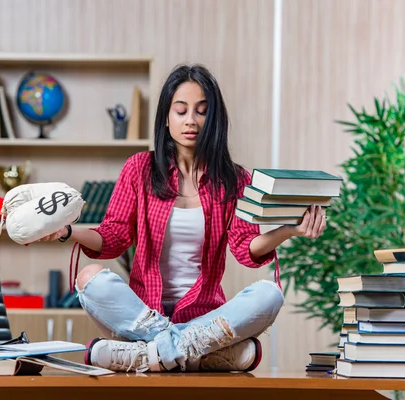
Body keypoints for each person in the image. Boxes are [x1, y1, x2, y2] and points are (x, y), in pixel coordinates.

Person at [38, 64, 327, 373]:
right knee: (90, 278)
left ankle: (146, 355)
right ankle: (198, 353)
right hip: (144, 314)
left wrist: (288, 230)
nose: (191, 120)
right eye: (181, 110)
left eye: (202, 111)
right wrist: (70, 231)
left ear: (213, 118)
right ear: (166, 117)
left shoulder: (234, 179)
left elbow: (245, 248)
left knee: (269, 294)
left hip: (206, 317)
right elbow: (114, 236)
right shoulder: (139, 169)